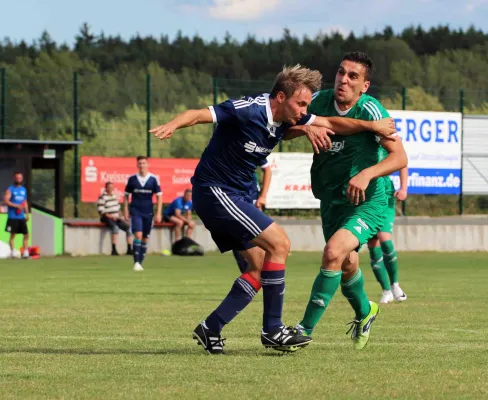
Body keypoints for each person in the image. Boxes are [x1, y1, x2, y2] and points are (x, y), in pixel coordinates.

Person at [150, 64, 397, 355]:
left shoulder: (291, 116)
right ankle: (273, 330)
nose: (305, 111)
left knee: (257, 268)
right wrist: (172, 125)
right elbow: (198, 114)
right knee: (280, 244)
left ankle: (211, 327)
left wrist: (370, 126)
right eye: (301, 104)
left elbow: (331, 123)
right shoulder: (248, 109)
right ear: (281, 97)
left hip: (235, 194)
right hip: (215, 191)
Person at [290, 52, 408, 350]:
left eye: (353, 76)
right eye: (341, 72)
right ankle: (366, 311)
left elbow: (400, 157)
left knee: (332, 252)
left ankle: (302, 330)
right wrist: (305, 126)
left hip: (366, 200)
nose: (344, 79)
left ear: (364, 86)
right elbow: (285, 128)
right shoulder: (318, 102)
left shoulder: (371, 110)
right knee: (346, 265)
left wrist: (367, 174)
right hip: (332, 200)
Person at [367, 167, 408, 303]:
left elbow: (403, 163)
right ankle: (386, 291)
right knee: (373, 244)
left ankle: (395, 284)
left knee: (385, 239)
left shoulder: (386, 145)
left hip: (385, 193)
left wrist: (403, 188)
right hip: (366, 194)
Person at [232, 157, 272, 273]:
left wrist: (263, 196)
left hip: (253, 200)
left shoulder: (253, 147)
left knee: (260, 235)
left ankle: (261, 270)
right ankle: (249, 270)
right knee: (235, 237)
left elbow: (267, 170)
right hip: (234, 199)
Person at [123, 156, 163, 272]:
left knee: (145, 238)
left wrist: (158, 213)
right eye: (139, 163)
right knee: (138, 235)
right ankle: (136, 262)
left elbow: (159, 196)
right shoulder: (132, 179)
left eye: (143, 163)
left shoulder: (153, 179)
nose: (141, 165)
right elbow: (126, 195)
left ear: (147, 164)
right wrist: (126, 209)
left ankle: (140, 262)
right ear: (137, 165)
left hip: (148, 212)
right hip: (135, 211)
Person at [97, 182, 133, 256]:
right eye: (109, 187)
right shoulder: (102, 197)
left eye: (112, 187)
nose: (110, 189)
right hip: (106, 217)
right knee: (115, 228)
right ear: (106, 188)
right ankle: (114, 249)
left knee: (128, 227)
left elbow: (118, 209)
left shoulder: (114, 196)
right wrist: (111, 216)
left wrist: (121, 216)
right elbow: (101, 211)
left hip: (116, 217)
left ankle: (129, 249)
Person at [3, 172, 29, 259]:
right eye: (17, 178)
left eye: (20, 178)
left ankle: (25, 252)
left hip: (21, 216)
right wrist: (16, 206)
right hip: (13, 216)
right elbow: (6, 201)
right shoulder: (10, 189)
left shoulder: (23, 190)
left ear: (22, 179)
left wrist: (27, 213)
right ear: (14, 178)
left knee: (26, 235)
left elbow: (24, 202)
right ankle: (13, 251)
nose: (19, 179)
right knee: (13, 235)